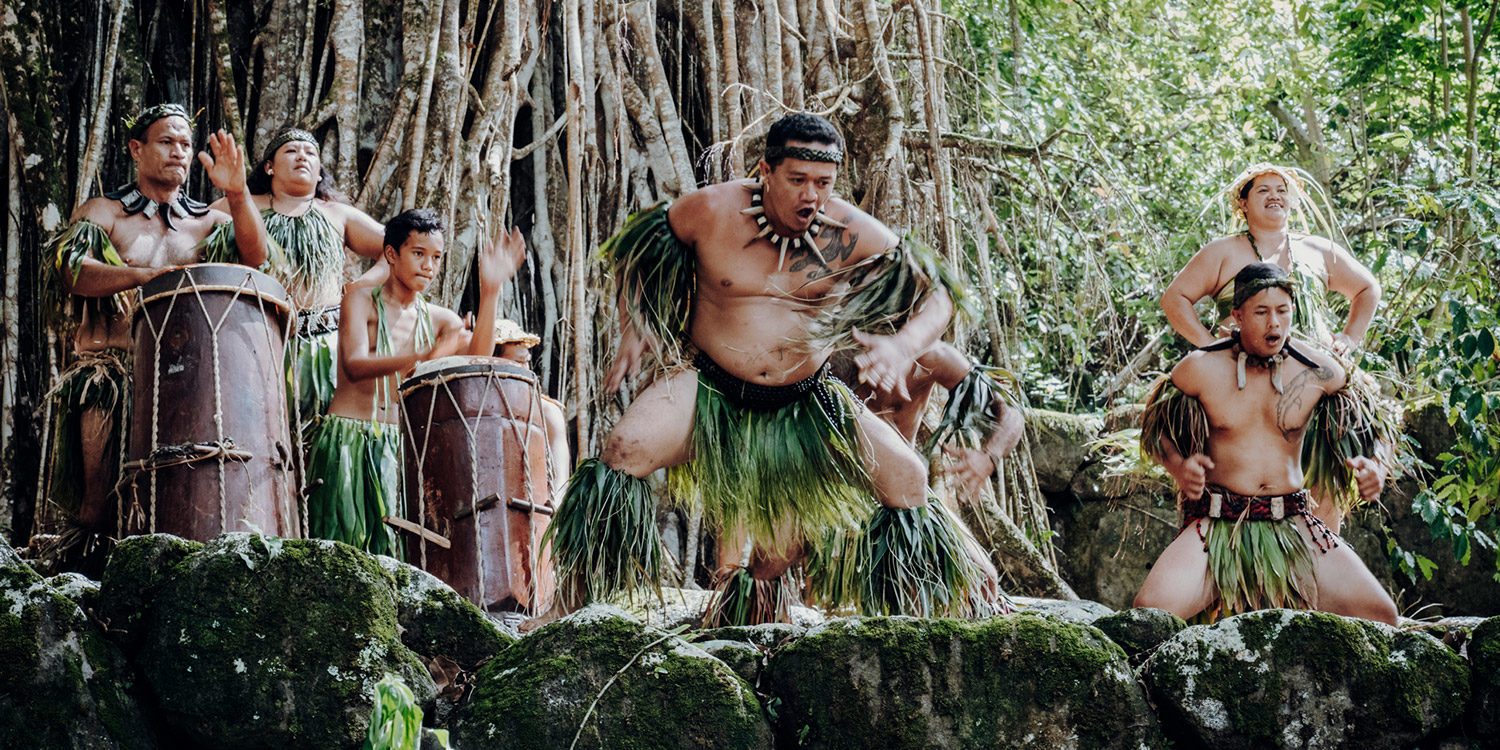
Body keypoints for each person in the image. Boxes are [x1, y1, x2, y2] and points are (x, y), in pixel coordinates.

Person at [541, 112, 983, 627]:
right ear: (765, 171)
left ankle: (921, 625)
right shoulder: (710, 211)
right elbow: (640, 253)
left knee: (908, 477)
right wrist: (637, 325)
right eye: (797, 180)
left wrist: (904, 345)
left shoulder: (851, 231)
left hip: (807, 403)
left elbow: (940, 296)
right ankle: (563, 609)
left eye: (823, 183)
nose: (811, 196)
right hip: (711, 389)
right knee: (624, 449)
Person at [40, 103, 269, 562]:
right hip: (113, 372)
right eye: (166, 142)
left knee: (185, 498)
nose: (178, 152)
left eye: (186, 144)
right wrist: (142, 276)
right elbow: (71, 271)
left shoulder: (209, 221)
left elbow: (255, 260)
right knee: (95, 506)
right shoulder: (105, 213)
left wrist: (239, 194)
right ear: (136, 148)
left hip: (189, 381)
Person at [1135, 263, 1398, 625]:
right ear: (1238, 315)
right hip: (1218, 528)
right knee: (1149, 614)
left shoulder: (1319, 370)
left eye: (1283, 311)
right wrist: (1178, 466)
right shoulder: (1200, 368)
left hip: (1294, 525)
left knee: (1383, 617)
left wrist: (1376, 467)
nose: (1274, 323)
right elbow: (1154, 431)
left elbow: (1377, 427)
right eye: (1261, 312)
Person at [1160, 163, 1387, 532]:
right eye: (1263, 190)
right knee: (1238, 482)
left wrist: (1347, 339)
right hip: (1241, 385)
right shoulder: (1223, 252)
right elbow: (1175, 299)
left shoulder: (1316, 249)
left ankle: (1318, 564)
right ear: (1243, 204)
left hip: (1311, 386)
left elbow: (1367, 289)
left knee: (1322, 488)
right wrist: (1210, 347)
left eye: (1281, 190)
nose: (1275, 195)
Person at [304, 209, 524, 555]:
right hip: (347, 439)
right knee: (339, 546)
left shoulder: (439, 319)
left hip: (402, 447)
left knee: (397, 551)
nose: (428, 266)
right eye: (418, 254)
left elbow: (479, 359)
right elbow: (355, 364)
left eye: (436, 258)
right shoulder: (360, 299)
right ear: (391, 254)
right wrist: (424, 356)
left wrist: (490, 292)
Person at [202, 127, 388, 429]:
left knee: (322, 435)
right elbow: (192, 237)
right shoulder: (239, 206)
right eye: (291, 151)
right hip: (256, 341)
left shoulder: (337, 214)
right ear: (269, 167)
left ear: (319, 173)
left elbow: (401, 249)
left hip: (325, 349)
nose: (302, 156)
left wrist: (359, 289)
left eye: (311, 153)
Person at [493, 319, 571, 503]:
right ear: (493, 361)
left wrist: (556, 503)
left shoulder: (546, 411)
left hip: (535, 507)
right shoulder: (476, 408)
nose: (525, 370)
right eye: (517, 362)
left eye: (526, 362)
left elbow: (561, 476)